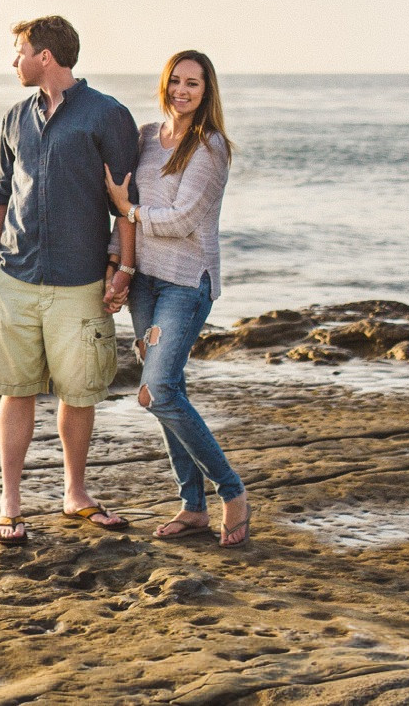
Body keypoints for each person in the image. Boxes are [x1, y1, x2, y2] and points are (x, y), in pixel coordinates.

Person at [0, 15, 141, 546]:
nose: (14, 61)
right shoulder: (13, 118)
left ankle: (75, 491)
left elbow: (126, 202)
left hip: (79, 281)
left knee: (78, 391)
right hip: (17, 275)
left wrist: (124, 268)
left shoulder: (108, 116)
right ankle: (10, 501)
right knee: (15, 387)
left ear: (44, 56)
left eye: (19, 51)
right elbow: (0, 190)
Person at [103, 48, 249, 546]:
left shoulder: (211, 147)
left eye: (194, 84)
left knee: (158, 390)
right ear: (164, 84)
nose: (182, 91)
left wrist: (132, 211)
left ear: (207, 93)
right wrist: (116, 264)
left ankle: (232, 492)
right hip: (145, 280)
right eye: (176, 81)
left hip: (187, 284)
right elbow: (126, 208)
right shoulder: (145, 137)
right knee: (171, 393)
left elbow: (183, 219)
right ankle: (192, 507)